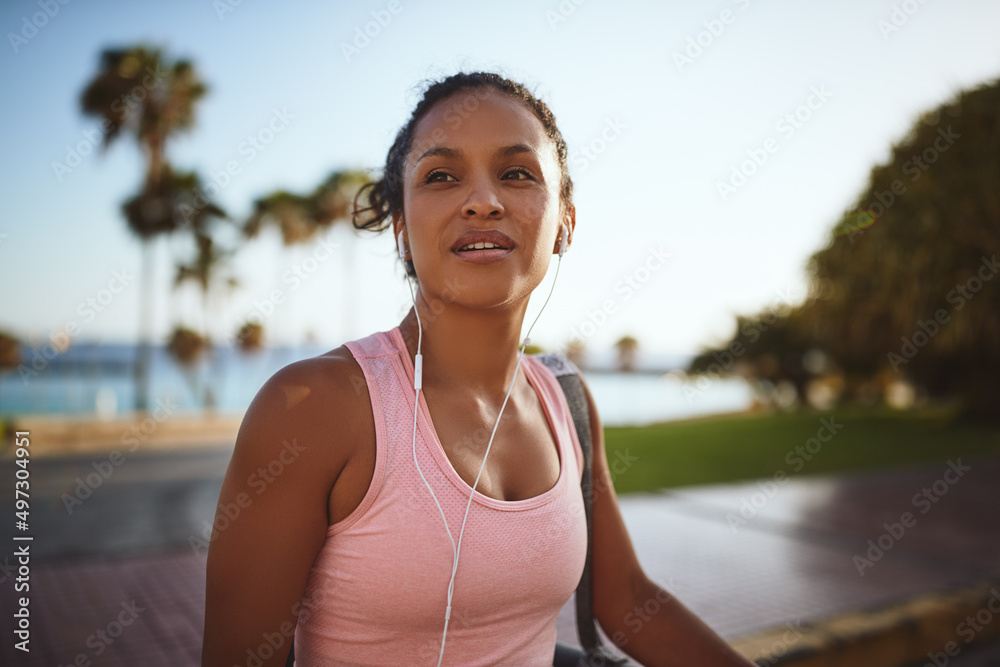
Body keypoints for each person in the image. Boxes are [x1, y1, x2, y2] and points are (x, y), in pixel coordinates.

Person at [202, 71, 754, 667]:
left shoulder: (565, 397)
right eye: (441, 176)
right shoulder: (314, 407)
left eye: (517, 172)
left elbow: (627, 601)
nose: (483, 200)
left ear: (565, 222)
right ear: (401, 234)